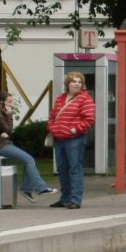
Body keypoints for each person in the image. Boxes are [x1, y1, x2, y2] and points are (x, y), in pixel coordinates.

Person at [0, 92, 57, 204]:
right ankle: (40, 188)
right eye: (9, 102)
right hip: (1, 147)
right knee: (29, 159)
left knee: (27, 160)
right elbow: (9, 130)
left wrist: (6, 131)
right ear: (1, 103)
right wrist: (10, 116)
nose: (11, 104)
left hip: (3, 144)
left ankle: (27, 189)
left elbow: (6, 131)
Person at [47, 71, 95, 209]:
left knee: (75, 168)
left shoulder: (85, 99)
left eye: (79, 82)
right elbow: (52, 116)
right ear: (68, 83)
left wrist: (74, 130)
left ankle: (75, 199)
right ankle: (65, 198)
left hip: (75, 139)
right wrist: (52, 128)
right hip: (59, 139)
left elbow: (89, 119)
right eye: (74, 81)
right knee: (62, 169)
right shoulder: (60, 99)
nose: (77, 84)